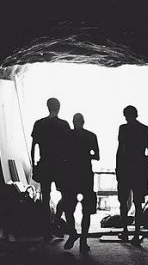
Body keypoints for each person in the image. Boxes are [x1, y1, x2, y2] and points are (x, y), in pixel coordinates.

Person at [30, 97, 71, 240]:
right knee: (66, 196)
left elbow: (34, 146)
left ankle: (47, 231)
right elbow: (69, 147)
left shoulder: (39, 124)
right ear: (59, 108)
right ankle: (55, 222)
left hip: (45, 164)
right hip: (60, 165)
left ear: (47, 107)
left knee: (45, 198)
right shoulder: (64, 125)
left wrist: (34, 164)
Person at [60, 113, 99, 253]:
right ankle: (83, 242)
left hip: (70, 174)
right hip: (86, 174)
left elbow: (60, 155)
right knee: (86, 210)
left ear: (73, 122)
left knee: (68, 208)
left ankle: (72, 233)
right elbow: (97, 156)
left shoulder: (66, 136)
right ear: (83, 122)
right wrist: (86, 155)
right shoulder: (91, 136)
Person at [115, 104, 148, 244]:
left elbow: (120, 149)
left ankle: (125, 231)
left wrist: (118, 167)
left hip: (126, 167)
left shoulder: (123, 129)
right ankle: (136, 234)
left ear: (126, 116)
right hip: (139, 169)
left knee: (123, 201)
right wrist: (145, 164)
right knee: (137, 203)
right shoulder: (144, 129)